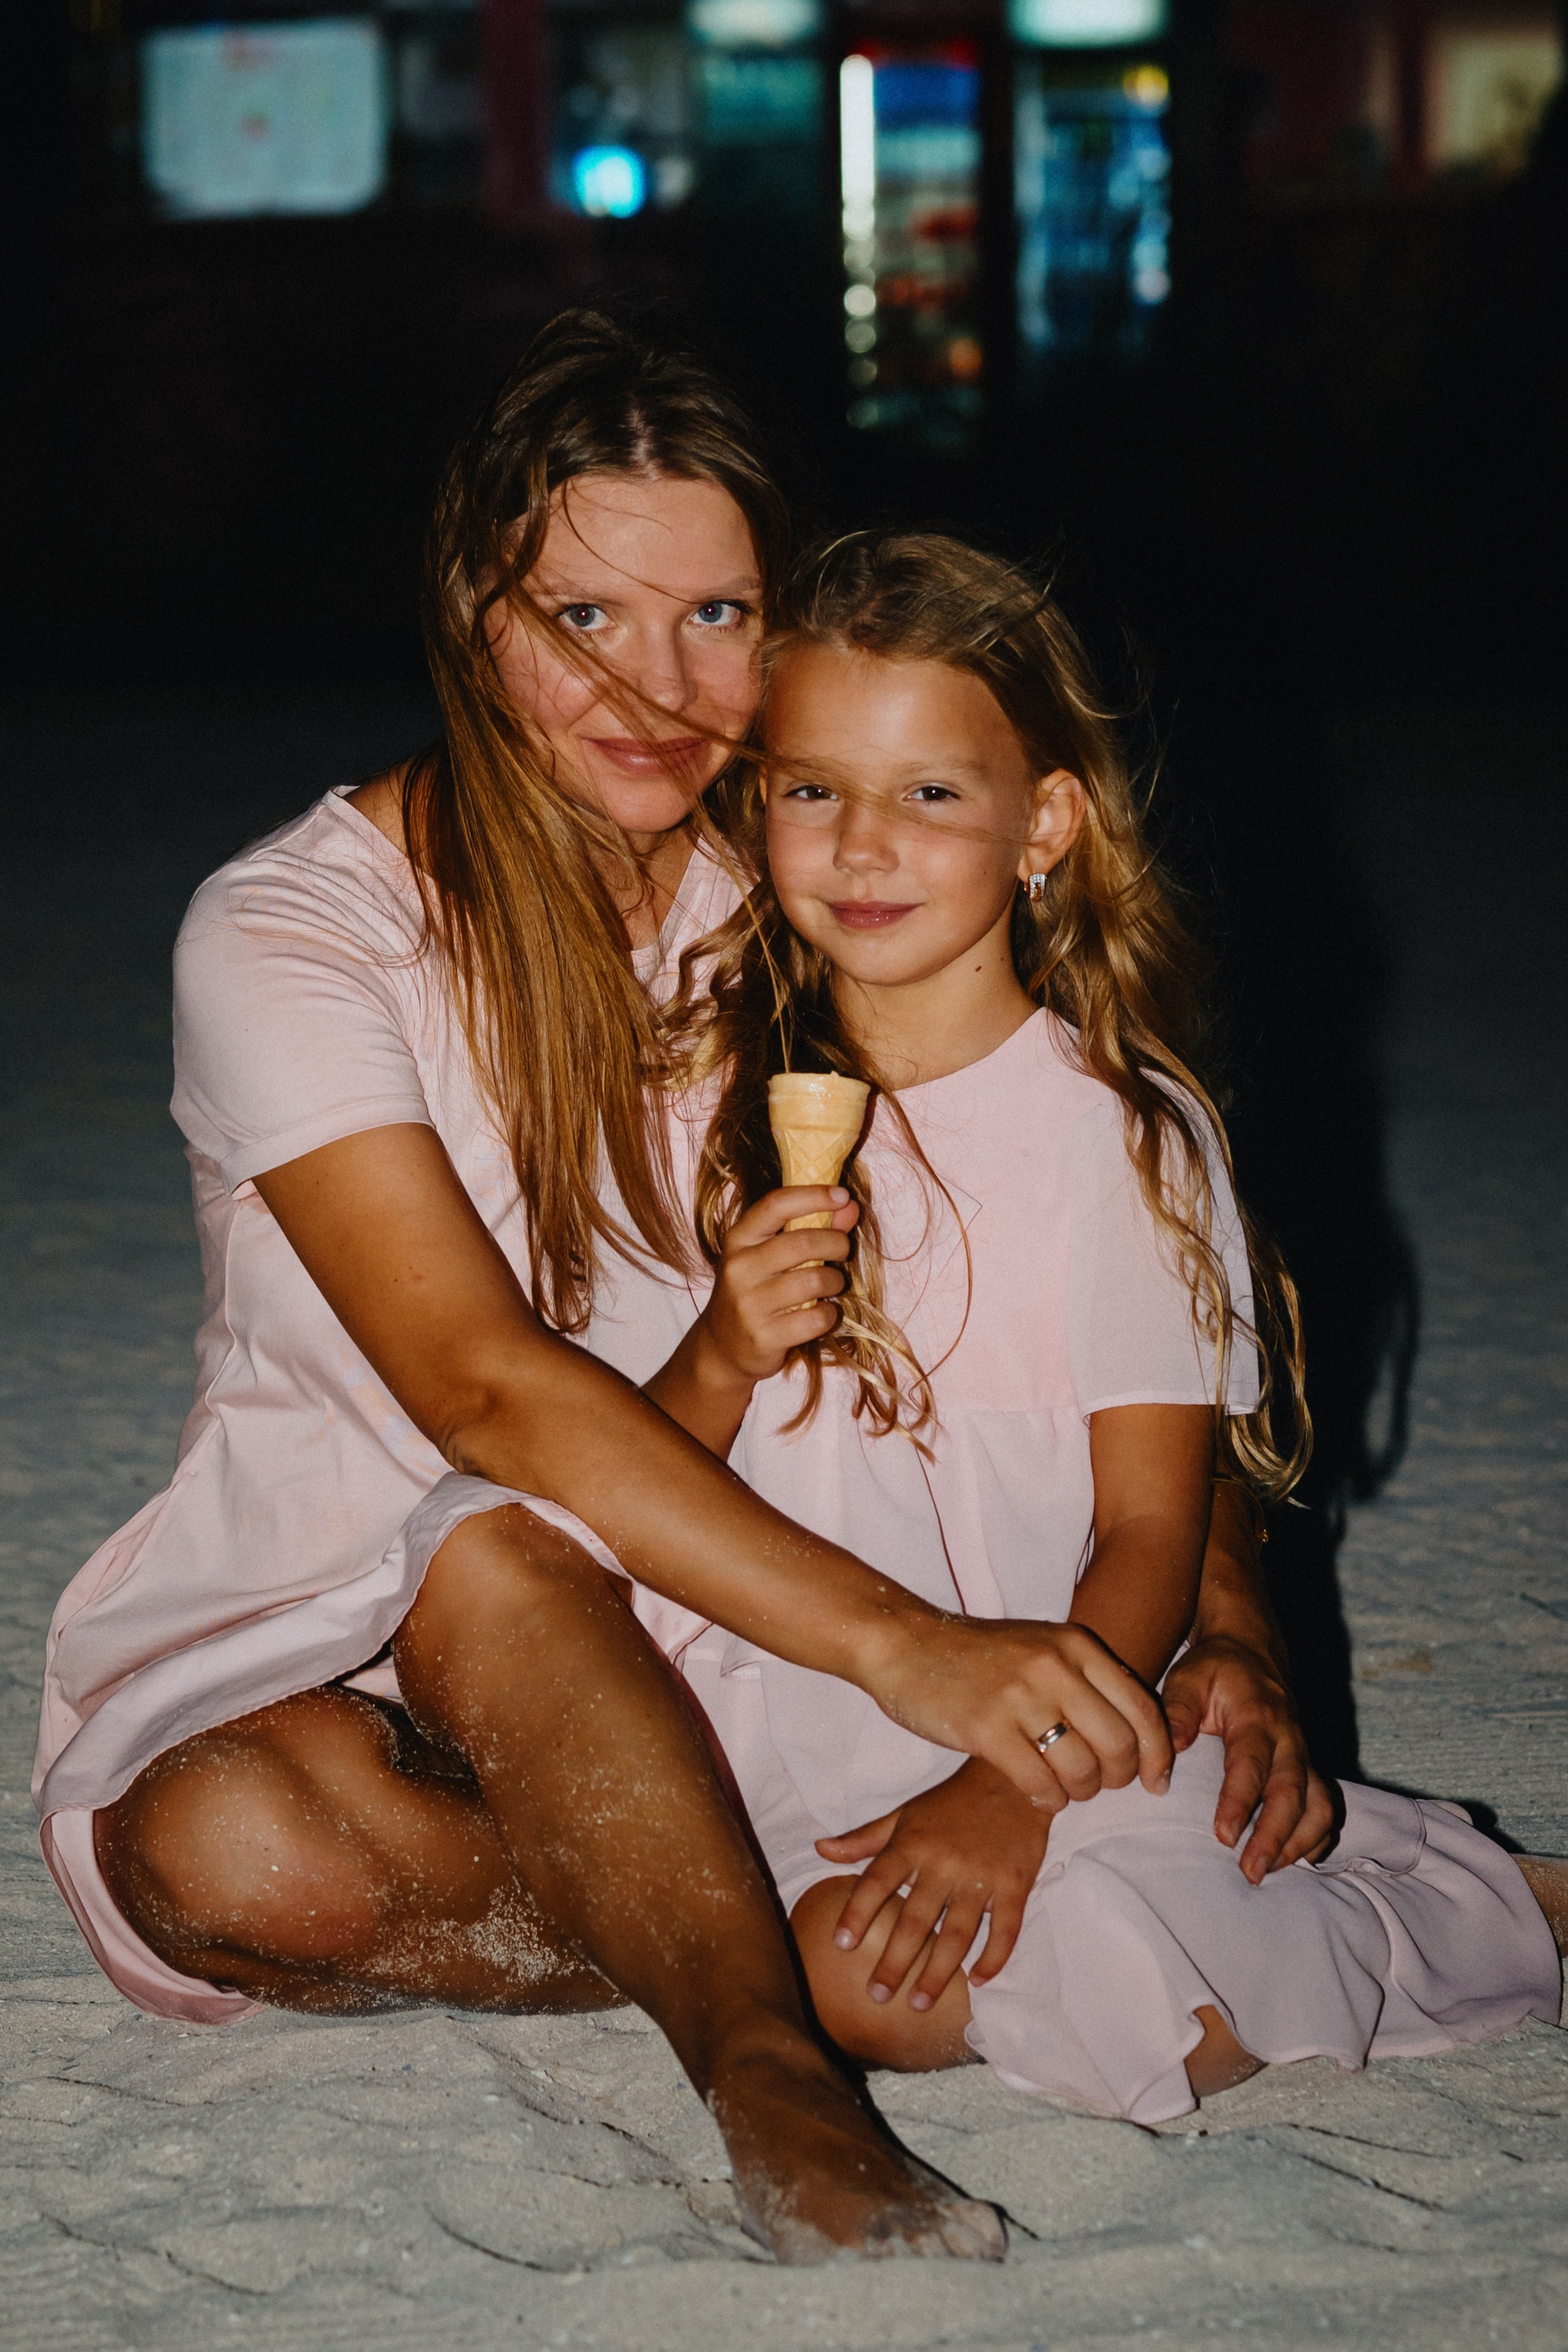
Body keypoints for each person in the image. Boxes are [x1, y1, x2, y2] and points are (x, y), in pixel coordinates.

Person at [34, 315, 1327, 2261]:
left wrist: (1226, 1623)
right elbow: (486, 1397)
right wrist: (915, 1653)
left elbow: (1087, 1244)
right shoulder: (298, 931)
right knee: (223, 1842)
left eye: (718, 612)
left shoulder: (813, 867)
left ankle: (767, 2062)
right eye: (583, 616)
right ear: (480, 614)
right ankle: (809, 1946)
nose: (656, 686)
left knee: (504, 1574)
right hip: (379, 1613)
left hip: (743, 1612)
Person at [608, 527, 1566, 2121]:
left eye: (932, 794)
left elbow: (1143, 1533)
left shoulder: (1117, 1135)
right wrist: (723, 1346)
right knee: (798, 1968)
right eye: (811, 789)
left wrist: (1004, 1795)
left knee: (917, 1989)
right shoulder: (707, 1091)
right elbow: (643, 1476)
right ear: (752, 800)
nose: (863, 844)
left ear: (1044, 821)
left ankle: (1442, 1914)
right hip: (790, 1715)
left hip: (1061, 1710)